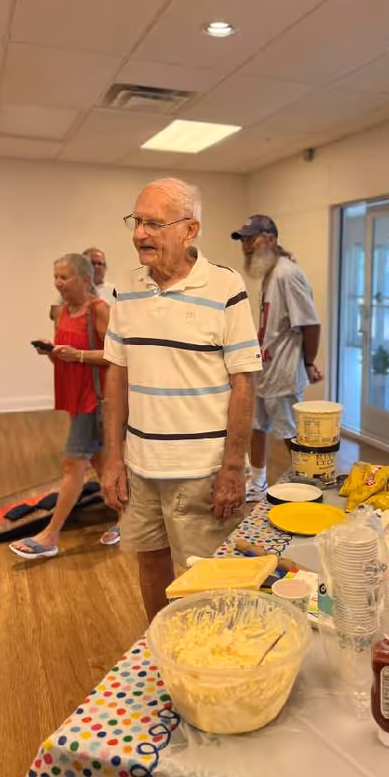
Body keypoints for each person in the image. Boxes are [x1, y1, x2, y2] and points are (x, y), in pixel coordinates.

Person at [102, 178, 261, 622]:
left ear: (190, 230)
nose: (139, 234)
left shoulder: (226, 288)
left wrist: (233, 467)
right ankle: (160, 646)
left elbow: (244, 383)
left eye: (154, 223)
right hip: (141, 466)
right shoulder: (126, 290)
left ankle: (210, 665)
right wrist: (113, 459)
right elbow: (116, 375)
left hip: (202, 471)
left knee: (207, 579)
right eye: (137, 221)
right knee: (150, 563)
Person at [10, 253, 110, 559]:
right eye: (55, 277)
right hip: (74, 397)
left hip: (95, 399)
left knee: (72, 463)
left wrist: (77, 356)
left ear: (84, 279)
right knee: (102, 464)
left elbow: (116, 356)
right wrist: (53, 352)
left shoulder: (99, 310)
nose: (58, 283)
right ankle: (129, 519)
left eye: (64, 277)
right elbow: (65, 352)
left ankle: (50, 535)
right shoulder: (63, 311)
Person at [231, 214, 322, 502]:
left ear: (271, 239)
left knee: (290, 433)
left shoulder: (287, 273)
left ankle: (309, 486)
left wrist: (307, 364)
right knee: (257, 427)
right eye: (243, 240)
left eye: (252, 238)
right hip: (264, 371)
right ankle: (257, 483)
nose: (246, 245)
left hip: (282, 373)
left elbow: (310, 324)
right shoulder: (270, 272)